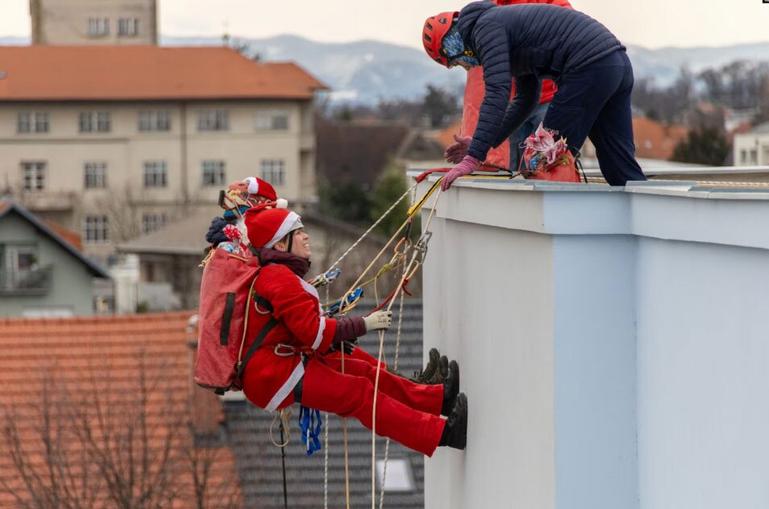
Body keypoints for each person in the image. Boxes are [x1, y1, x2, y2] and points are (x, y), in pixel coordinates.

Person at [239, 206, 468, 455]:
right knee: (358, 394)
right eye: (298, 232)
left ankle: (435, 399)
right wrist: (363, 324)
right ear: (280, 245)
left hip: (282, 364)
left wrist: (341, 333)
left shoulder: (277, 275)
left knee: (362, 370)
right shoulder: (278, 279)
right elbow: (314, 334)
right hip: (275, 376)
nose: (306, 236)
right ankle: (442, 434)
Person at [423, 1, 647, 189]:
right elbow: (526, 100)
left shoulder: (484, 29)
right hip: (615, 64)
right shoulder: (505, 28)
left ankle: (565, 234)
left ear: (451, 43)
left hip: (589, 67)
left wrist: (473, 157)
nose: (464, 66)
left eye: (455, 61)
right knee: (619, 165)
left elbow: (497, 92)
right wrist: (484, 141)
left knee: (541, 158)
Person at [450, 0, 573, 174]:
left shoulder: (552, 4)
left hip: (549, 98)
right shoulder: (493, 8)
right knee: (516, 167)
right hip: (517, 98)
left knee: (548, 162)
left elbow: (566, 28)